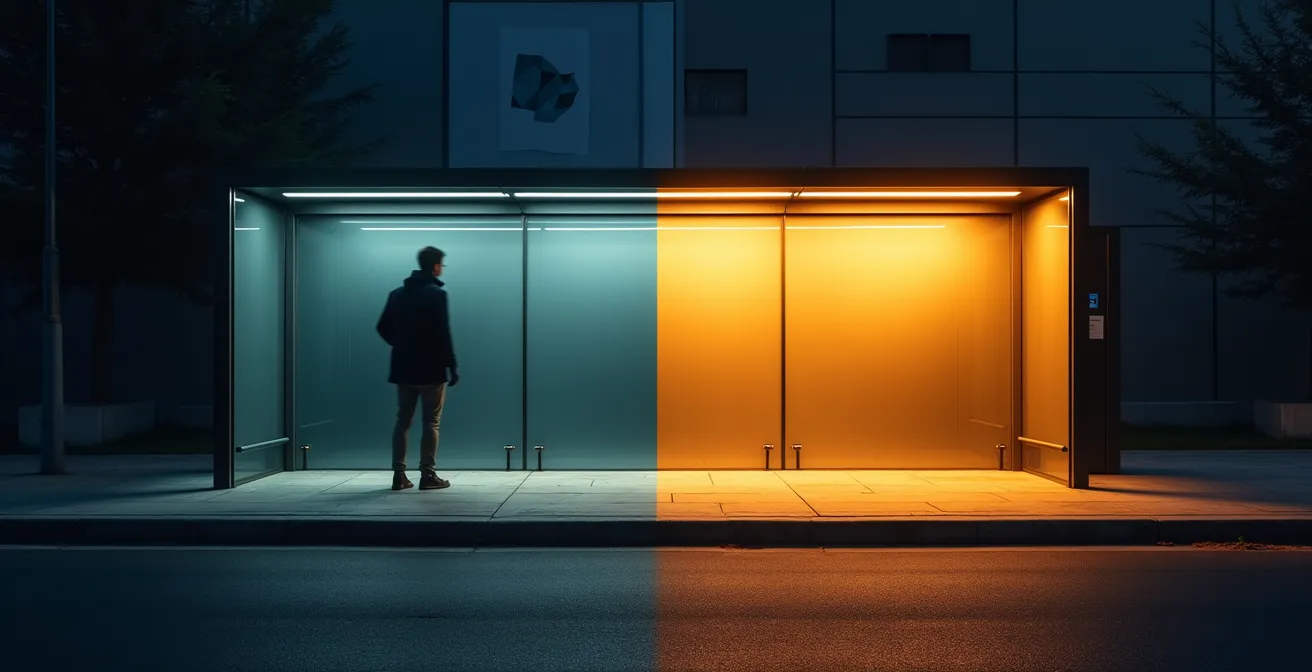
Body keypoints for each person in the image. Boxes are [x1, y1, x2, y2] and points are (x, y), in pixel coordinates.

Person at [376, 246, 459, 491]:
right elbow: (443, 333)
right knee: (431, 422)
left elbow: (382, 327)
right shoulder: (436, 295)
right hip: (431, 368)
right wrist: (451, 365)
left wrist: (401, 345)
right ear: (435, 266)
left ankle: (398, 475)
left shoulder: (397, 294)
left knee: (403, 421)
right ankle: (427, 474)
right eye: (441, 265)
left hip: (404, 367)